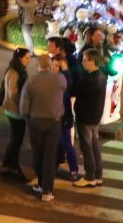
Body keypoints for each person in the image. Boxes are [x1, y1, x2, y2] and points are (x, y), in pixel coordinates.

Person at [19, 55, 66, 202]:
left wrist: (27, 116)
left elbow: (23, 107)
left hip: (36, 122)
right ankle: (48, 191)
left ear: (38, 66)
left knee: (38, 154)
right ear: (50, 65)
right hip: (54, 121)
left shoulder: (31, 81)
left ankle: (40, 184)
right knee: (50, 156)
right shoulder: (60, 79)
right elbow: (61, 94)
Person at [72, 48, 108, 188]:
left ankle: (89, 176)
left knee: (86, 147)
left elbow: (74, 91)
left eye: (85, 60)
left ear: (92, 61)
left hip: (85, 117)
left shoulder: (89, 80)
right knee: (94, 147)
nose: (82, 62)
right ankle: (98, 175)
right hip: (95, 117)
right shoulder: (102, 76)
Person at [46, 42, 78, 181]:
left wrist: (65, 70)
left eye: (57, 66)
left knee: (66, 143)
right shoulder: (49, 78)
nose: (53, 68)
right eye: (52, 65)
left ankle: (74, 169)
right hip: (52, 117)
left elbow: (68, 85)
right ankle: (53, 166)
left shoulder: (64, 79)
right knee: (53, 143)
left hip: (63, 117)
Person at [0, 47, 30, 181]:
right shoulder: (14, 72)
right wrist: (25, 103)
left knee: (15, 140)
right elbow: (13, 93)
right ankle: (14, 168)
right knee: (16, 141)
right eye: (27, 58)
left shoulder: (20, 70)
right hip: (14, 111)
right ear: (19, 58)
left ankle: (7, 167)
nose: (29, 60)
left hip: (17, 110)